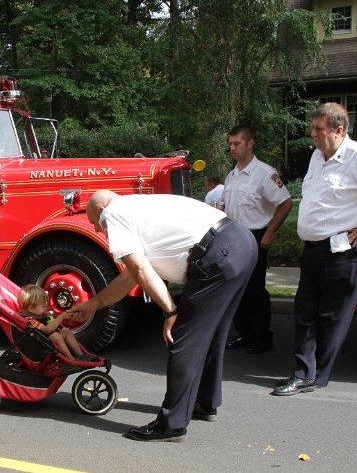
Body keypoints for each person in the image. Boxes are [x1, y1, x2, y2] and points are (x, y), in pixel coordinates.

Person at [68, 190, 257, 442]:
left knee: (182, 339)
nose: (98, 230)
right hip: (241, 242)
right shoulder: (139, 205)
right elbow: (131, 276)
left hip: (216, 254)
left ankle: (171, 424)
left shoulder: (113, 215)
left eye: (95, 223)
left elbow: (140, 269)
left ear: (102, 210)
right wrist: (94, 304)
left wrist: (170, 311)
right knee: (212, 332)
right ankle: (204, 401)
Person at [273, 103, 357, 396]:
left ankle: (313, 375)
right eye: (313, 128)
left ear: (339, 130)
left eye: (319, 129)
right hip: (314, 249)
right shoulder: (316, 157)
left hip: (345, 249)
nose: (313, 135)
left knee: (331, 316)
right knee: (304, 310)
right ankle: (304, 372)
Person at [221, 125, 293, 354]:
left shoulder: (264, 173)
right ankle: (245, 333)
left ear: (250, 143)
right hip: (233, 236)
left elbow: (286, 203)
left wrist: (271, 232)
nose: (232, 148)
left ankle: (262, 337)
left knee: (254, 290)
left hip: (255, 236)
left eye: (237, 144)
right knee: (236, 288)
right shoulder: (231, 175)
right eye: (230, 144)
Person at [17, 284, 91, 360]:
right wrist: (61, 317)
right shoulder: (31, 321)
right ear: (31, 308)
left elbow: (51, 322)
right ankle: (71, 359)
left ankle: (81, 355)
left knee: (65, 330)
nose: (46, 307)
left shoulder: (41, 314)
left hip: (49, 340)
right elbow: (47, 330)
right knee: (56, 336)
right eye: (43, 306)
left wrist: (60, 317)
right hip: (41, 345)